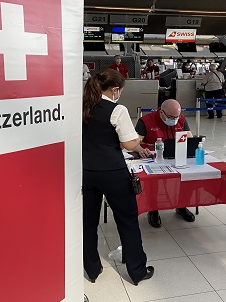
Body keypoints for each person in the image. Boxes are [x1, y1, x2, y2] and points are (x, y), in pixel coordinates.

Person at [82, 69, 154, 285]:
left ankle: (92, 269)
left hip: (85, 172)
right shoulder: (117, 110)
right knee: (127, 220)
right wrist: (138, 140)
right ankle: (137, 270)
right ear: (115, 89)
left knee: (87, 223)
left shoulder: (81, 106)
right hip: (112, 172)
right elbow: (130, 144)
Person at [132, 99, 195, 228]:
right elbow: (134, 143)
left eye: (177, 116)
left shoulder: (181, 119)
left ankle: (181, 206)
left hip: (176, 157)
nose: (175, 119)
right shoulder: (146, 121)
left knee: (187, 176)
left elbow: (190, 138)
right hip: (152, 159)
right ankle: (153, 209)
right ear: (161, 112)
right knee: (154, 180)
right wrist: (140, 149)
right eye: (171, 117)